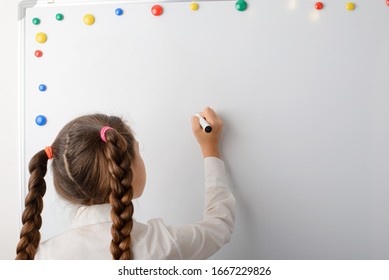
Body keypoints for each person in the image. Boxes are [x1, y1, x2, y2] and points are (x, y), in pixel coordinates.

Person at [15, 107, 235, 260]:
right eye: (138, 153)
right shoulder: (161, 244)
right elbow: (219, 226)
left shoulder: (41, 258)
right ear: (124, 168)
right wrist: (210, 150)